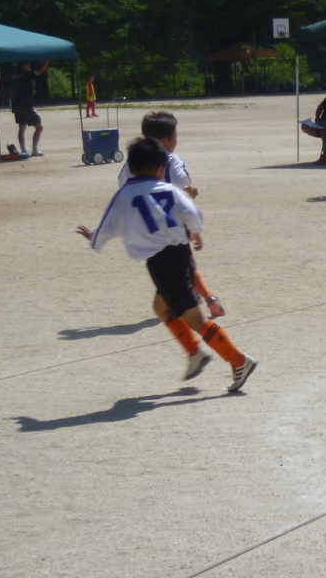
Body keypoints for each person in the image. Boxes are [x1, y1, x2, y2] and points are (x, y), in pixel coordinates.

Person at [77, 137, 257, 391]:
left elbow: (111, 223)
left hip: (163, 261)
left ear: (131, 168)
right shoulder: (170, 189)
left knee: (195, 320)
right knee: (161, 307)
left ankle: (238, 360)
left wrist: (94, 237)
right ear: (161, 168)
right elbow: (192, 212)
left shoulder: (125, 194)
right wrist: (196, 233)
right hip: (180, 254)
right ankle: (195, 352)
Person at [118, 111, 226, 318]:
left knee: (171, 266)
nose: (177, 140)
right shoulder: (172, 159)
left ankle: (200, 296)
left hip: (147, 226)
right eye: (175, 136)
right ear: (165, 141)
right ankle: (208, 299)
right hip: (173, 221)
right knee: (182, 265)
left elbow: (123, 189)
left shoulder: (133, 162)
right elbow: (183, 187)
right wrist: (192, 191)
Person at [11, 59, 48, 157]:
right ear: (24, 64)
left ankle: (24, 150)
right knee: (39, 127)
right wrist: (47, 60)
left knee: (21, 128)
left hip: (17, 105)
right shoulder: (29, 74)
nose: (29, 65)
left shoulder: (15, 75)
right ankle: (34, 150)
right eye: (27, 64)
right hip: (27, 105)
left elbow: (11, 92)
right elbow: (41, 70)